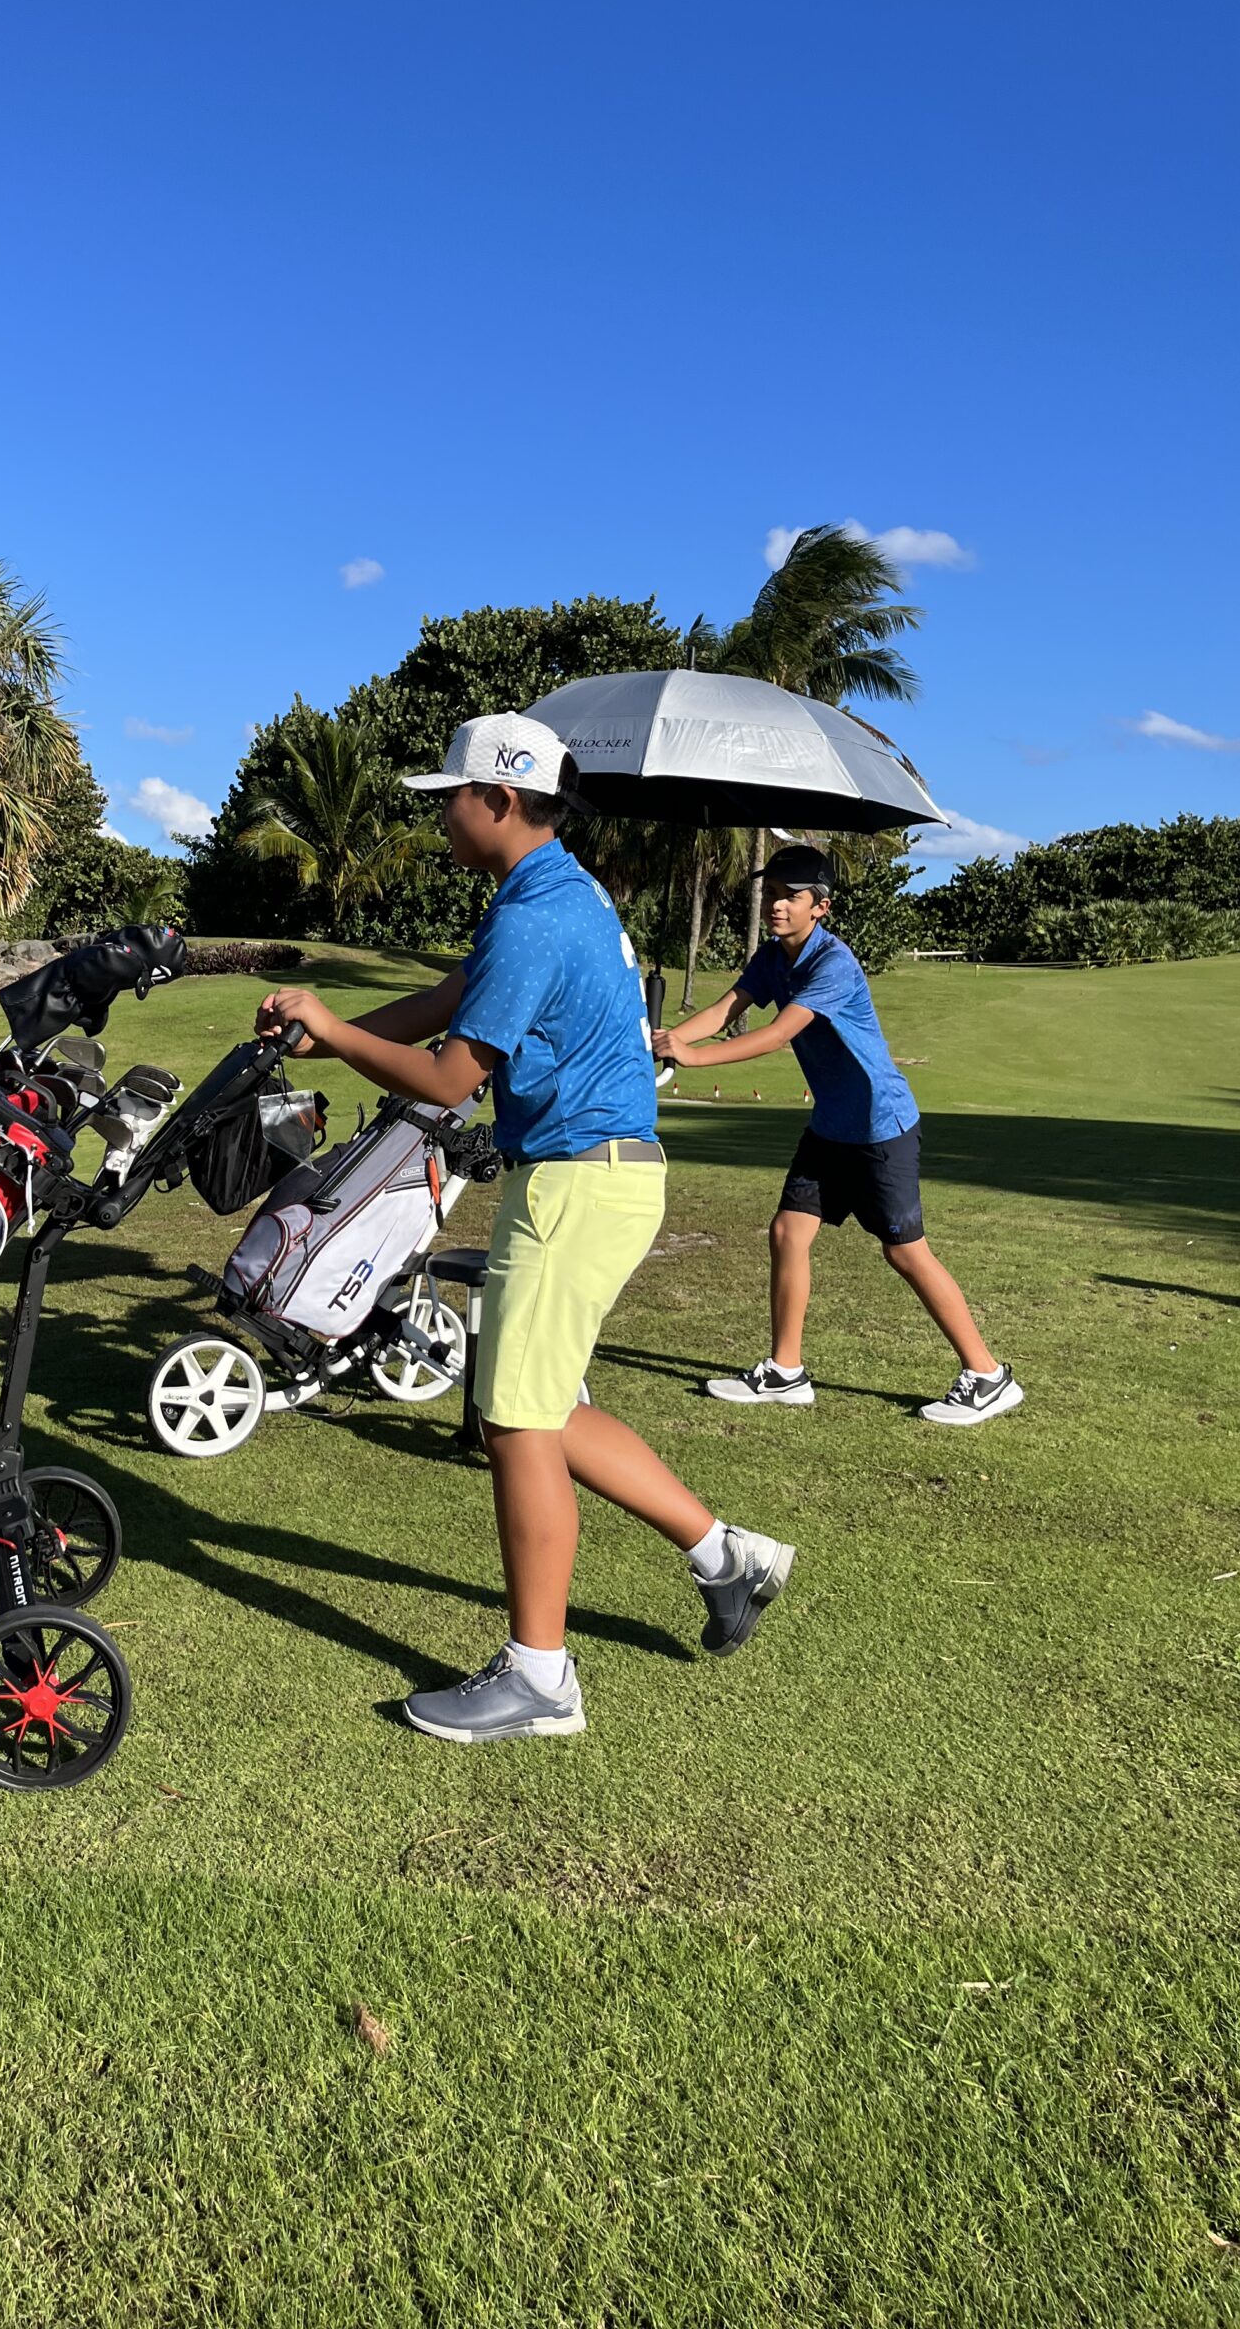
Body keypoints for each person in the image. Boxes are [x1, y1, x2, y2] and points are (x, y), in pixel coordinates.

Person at [255, 711, 796, 1746]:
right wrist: (333, 1035)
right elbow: (446, 1002)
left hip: (579, 1183)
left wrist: (330, 1029)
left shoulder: (537, 914)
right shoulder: (546, 893)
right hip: (598, 1177)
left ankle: (541, 1677)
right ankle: (727, 1554)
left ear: (499, 799)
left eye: (450, 795)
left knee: (513, 1421)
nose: (442, 814)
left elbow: (455, 1077)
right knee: (543, 1405)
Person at [653, 843, 1023, 1426]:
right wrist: (670, 1037)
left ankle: (988, 1375)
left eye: (790, 896)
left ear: (820, 907)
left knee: (904, 1252)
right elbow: (726, 1009)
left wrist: (694, 1060)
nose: (776, 905)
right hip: (831, 1126)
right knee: (788, 1232)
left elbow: (779, 1033)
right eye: (771, 894)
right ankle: (786, 1371)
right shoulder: (772, 957)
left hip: (880, 1127)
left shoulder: (833, 964)